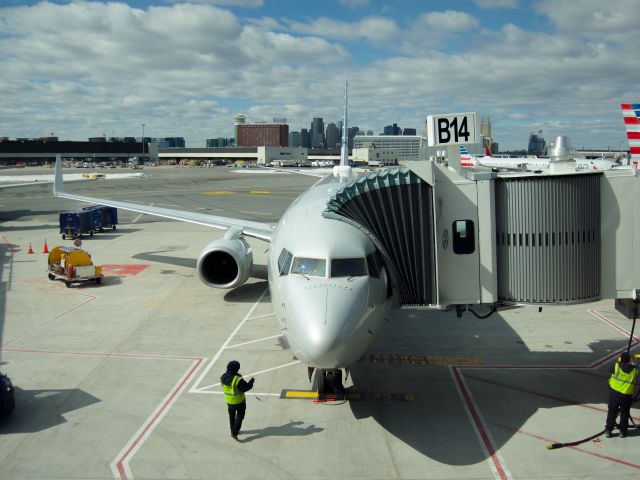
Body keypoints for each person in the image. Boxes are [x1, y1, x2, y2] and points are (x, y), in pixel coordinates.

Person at [604, 352, 637, 438]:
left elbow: (611, 370)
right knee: (624, 413)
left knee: (611, 411)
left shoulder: (615, 366)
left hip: (614, 393)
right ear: (629, 361)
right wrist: (632, 363)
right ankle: (622, 431)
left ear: (620, 359)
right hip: (626, 395)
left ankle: (608, 430)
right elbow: (634, 369)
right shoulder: (634, 370)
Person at [221, 360, 254, 441]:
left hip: (229, 401)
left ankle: (232, 430)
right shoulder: (237, 379)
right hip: (239, 402)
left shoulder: (223, 377)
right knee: (239, 416)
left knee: (231, 416)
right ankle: (234, 433)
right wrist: (251, 382)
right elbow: (246, 388)